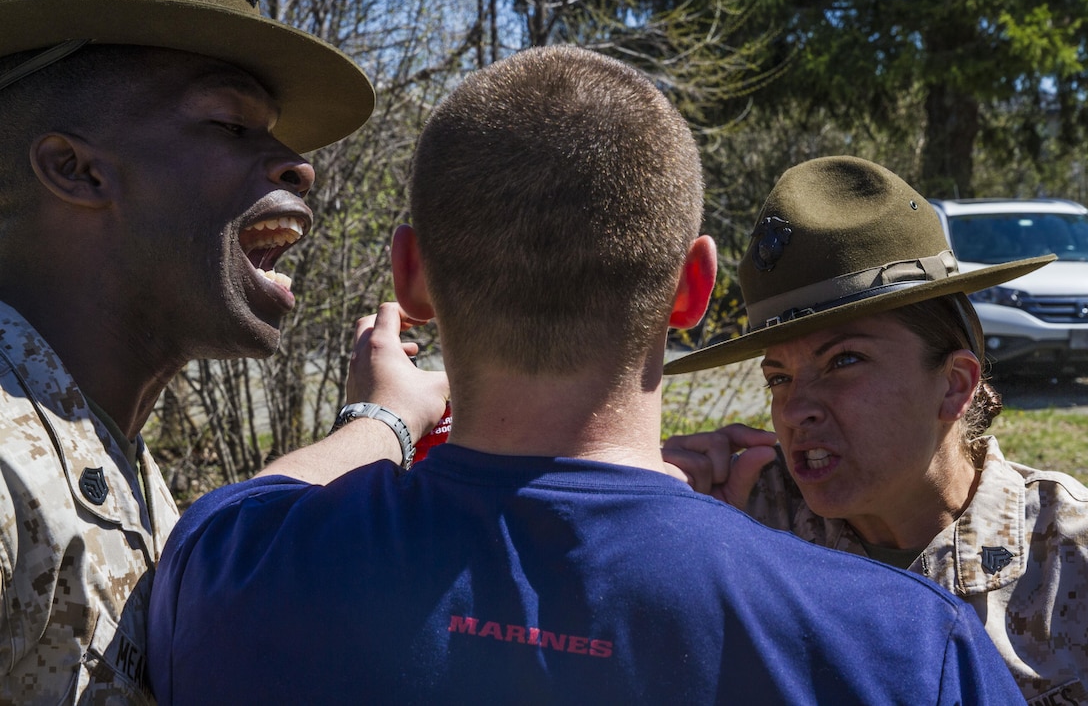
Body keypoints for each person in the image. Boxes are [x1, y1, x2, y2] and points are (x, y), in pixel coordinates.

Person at [147, 46, 1021, 704]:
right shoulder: (906, 648)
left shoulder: (235, 572)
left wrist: (376, 421)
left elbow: (228, 515)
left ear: (411, 277)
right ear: (693, 289)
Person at [0, 0, 446, 702]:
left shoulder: (124, 469)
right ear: (76, 169)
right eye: (230, 124)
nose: (298, 164)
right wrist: (382, 426)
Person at [662, 155, 1088, 702]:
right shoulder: (748, 526)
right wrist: (663, 514)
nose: (795, 412)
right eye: (779, 378)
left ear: (955, 384)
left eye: (844, 361)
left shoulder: (1066, 555)